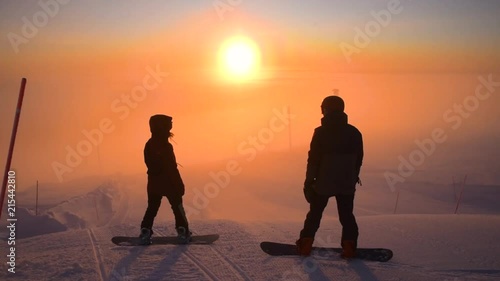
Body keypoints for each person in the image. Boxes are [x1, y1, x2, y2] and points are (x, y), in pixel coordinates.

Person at [296, 95, 363, 258]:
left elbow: (313, 160)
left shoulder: (320, 133)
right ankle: (349, 247)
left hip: (324, 182)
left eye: (323, 109)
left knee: (315, 213)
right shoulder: (355, 133)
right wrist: (353, 177)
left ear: (326, 110)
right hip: (346, 182)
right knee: (347, 215)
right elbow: (358, 159)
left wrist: (308, 182)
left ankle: (306, 244)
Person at [139, 114, 191, 245]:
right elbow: (171, 168)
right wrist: (179, 184)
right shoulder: (166, 146)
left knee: (152, 208)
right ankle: (183, 231)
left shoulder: (149, 144)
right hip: (169, 184)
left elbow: (149, 164)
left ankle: (145, 231)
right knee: (177, 207)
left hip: (153, 185)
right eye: (169, 125)